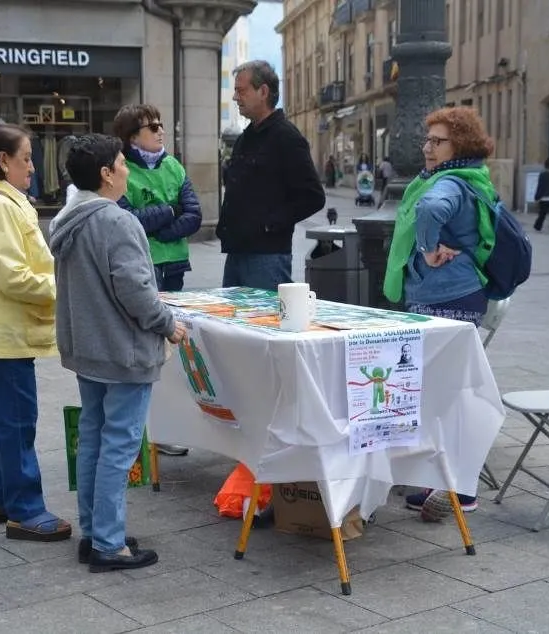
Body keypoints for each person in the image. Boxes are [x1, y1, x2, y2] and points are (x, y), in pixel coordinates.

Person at [49, 133, 186, 572]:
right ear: (106, 174)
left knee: (93, 439)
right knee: (118, 446)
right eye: (123, 163)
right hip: (121, 351)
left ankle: (95, 532)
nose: (128, 169)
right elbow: (136, 290)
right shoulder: (116, 221)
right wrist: (168, 324)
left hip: (88, 348)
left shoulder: (69, 218)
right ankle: (108, 542)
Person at [384, 105, 501, 516]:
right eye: (427, 139)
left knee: (447, 394)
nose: (428, 148)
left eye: (438, 141)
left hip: (446, 295)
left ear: (460, 145)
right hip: (457, 294)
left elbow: (430, 210)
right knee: (439, 391)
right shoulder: (465, 177)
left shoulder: (449, 184)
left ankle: (462, 489)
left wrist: (427, 249)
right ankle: (440, 481)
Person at [0, 123, 71, 542]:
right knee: (16, 420)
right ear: (3, 161)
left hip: (0, 328)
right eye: (26, 158)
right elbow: (14, 277)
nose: (32, 166)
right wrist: (65, 289)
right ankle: (24, 509)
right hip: (6, 330)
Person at [112, 103, 201, 458]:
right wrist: (167, 212)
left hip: (174, 266)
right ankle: (138, 430)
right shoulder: (121, 171)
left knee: (168, 353)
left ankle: (164, 428)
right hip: (142, 270)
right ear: (132, 137)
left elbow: (194, 215)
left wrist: (160, 231)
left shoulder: (174, 166)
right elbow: (128, 218)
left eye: (161, 125)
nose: (161, 131)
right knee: (141, 351)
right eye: (152, 127)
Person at [217, 60, 326, 291]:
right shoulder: (245, 138)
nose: (236, 97)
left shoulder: (286, 137)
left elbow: (313, 196)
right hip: (237, 253)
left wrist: (269, 224)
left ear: (263, 91)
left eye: (241, 90)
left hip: (267, 257)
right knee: (231, 325)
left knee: (264, 323)